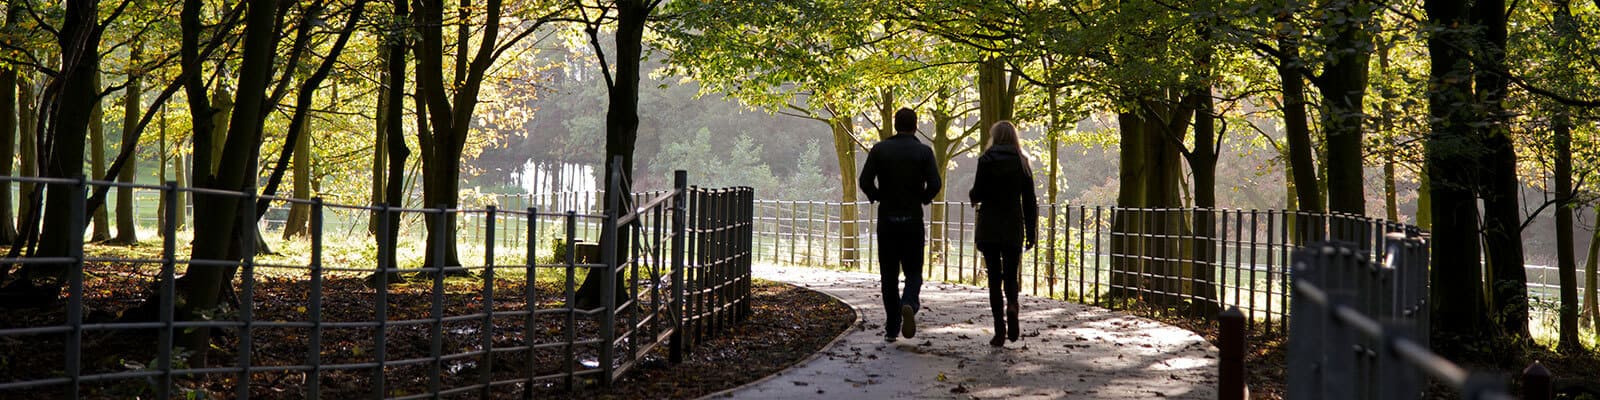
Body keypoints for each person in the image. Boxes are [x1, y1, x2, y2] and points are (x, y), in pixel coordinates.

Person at [859, 107, 942, 343]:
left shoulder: (879, 150)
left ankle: (892, 327)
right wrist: (923, 198)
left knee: (888, 274)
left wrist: (877, 195)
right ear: (915, 125)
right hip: (912, 219)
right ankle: (909, 303)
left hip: (887, 219)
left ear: (895, 125)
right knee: (914, 270)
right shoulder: (924, 152)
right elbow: (935, 183)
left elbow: (864, 180)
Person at [968, 120, 1038, 347]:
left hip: (990, 225)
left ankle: (999, 330)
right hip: (1013, 225)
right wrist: (1031, 231)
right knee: (1010, 274)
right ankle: (1013, 306)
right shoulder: (1022, 162)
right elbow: (1029, 201)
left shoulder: (986, 160)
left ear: (995, 137)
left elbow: (978, 192)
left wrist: (973, 195)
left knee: (993, 279)